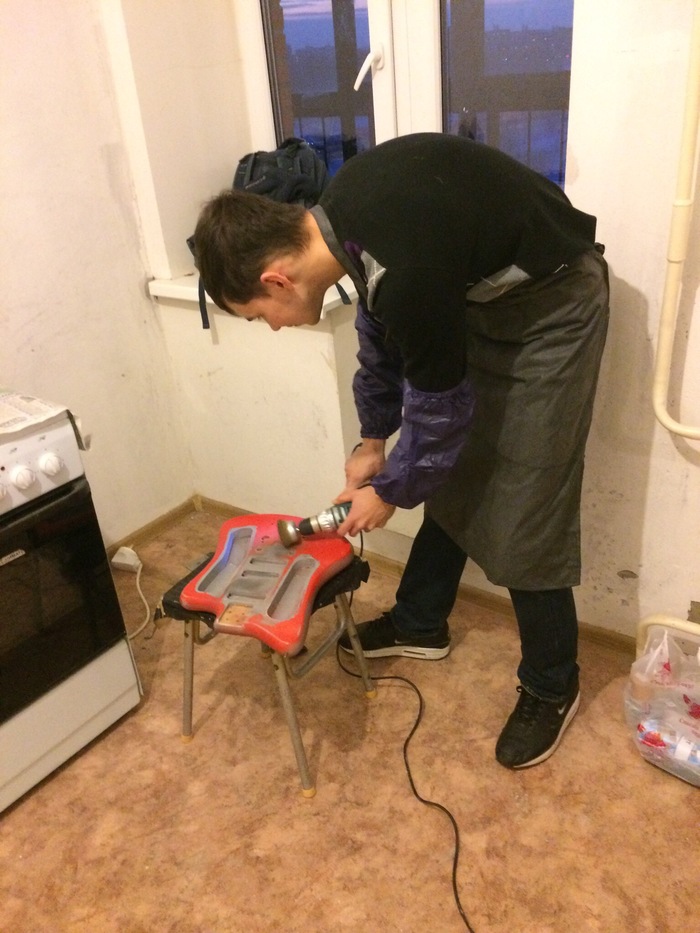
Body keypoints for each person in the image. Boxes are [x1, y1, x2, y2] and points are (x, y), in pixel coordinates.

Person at [192, 132, 610, 769]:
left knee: (527, 500)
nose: (272, 327)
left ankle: (553, 685)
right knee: (452, 469)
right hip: (486, 302)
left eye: (258, 315)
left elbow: (439, 411)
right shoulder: (341, 220)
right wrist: (372, 443)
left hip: (553, 308)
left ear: (276, 279)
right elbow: (380, 329)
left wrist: (389, 492)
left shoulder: (402, 264)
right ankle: (421, 621)